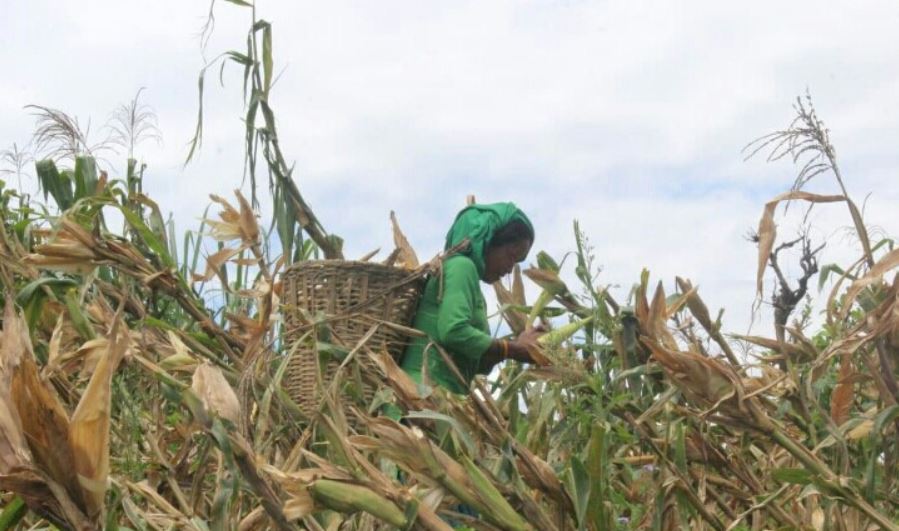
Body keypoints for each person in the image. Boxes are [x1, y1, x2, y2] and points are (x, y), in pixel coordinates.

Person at [401, 202, 545, 394]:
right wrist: (516, 350)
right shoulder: (461, 266)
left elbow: (476, 361)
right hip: (419, 397)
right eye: (510, 255)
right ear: (488, 240)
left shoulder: (475, 292)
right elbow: (453, 331)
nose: (511, 268)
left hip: (440, 401)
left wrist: (520, 343)